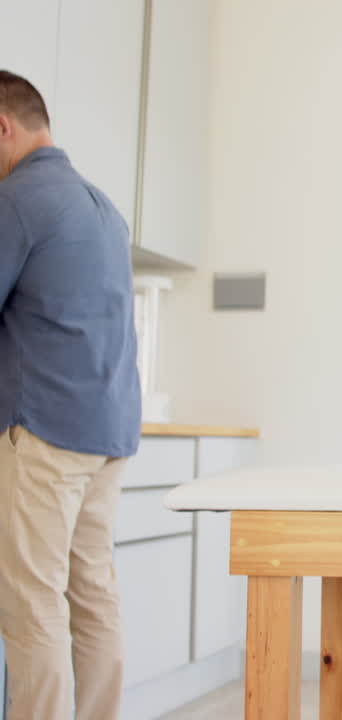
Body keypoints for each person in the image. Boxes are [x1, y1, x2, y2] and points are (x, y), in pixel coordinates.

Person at [0, 70, 141, 720]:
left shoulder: (19, 200)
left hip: (46, 436)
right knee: (93, 596)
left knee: (34, 607)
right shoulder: (102, 207)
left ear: (2, 128)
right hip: (107, 439)